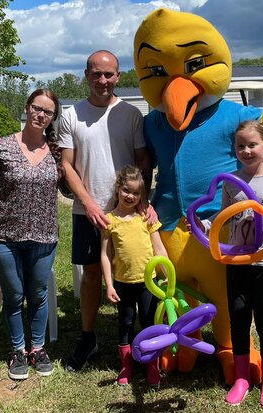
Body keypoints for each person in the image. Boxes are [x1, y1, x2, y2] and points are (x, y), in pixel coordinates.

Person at [193, 120, 263, 408]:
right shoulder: (231, 182)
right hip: (238, 261)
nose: (246, 150)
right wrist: (204, 225)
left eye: (252, 144)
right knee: (239, 321)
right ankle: (242, 378)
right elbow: (225, 216)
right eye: (240, 146)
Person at [58, 50, 154, 372]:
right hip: (89, 211)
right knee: (92, 274)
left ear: (118, 76)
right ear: (86, 76)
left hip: (128, 213)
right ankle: (88, 338)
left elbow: (143, 161)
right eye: (96, 74)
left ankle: (142, 339)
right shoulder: (72, 115)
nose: (103, 81)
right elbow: (67, 166)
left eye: (109, 74)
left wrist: (142, 201)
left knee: (138, 273)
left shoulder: (131, 114)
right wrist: (87, 203)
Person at [0, 89, 63, 380]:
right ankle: (18, 351)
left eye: (47, 112)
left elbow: (70, 188)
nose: (40, 115)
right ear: (27, 108)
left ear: (52, 118)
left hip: (44, 237)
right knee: (14, 295)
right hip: (3, 237)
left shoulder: (57, 152)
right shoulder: (1, 147)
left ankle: (38, 348)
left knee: (38, 294)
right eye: (37, 108)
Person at [101, 165, 168, 386]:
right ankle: (126, 366)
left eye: (136, 192)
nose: (131, 196)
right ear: (118, 189)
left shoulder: (146, 218)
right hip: (122, 283)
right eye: (126, 190)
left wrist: (167, 274)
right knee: (126, 323)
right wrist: (109, 284)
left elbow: (159, 249)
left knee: (149, 323)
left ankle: (152, 367)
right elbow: (105, 254)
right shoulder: (110, 221)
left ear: (142, 194)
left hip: (149, 283)